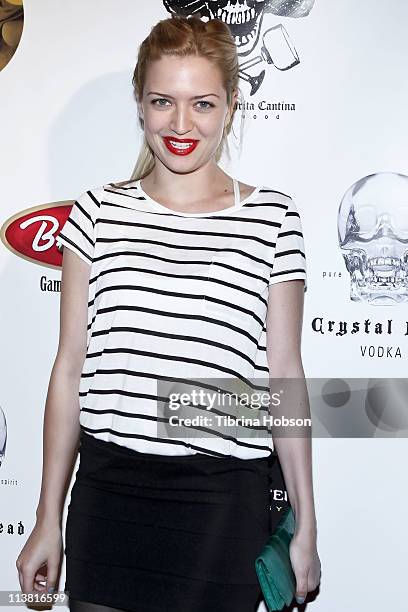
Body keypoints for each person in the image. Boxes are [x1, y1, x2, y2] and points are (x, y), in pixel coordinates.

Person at [16, 14, 321, 612]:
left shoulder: (273, 219)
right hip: (109, 496)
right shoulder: (97, 212)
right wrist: (47, 516)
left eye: (202, 103)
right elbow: (70, 367)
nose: (181, 125)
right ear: (140, 103)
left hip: (222, 504)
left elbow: (284, 376)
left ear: (232, 106)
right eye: (163, 101)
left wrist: (306, 521)